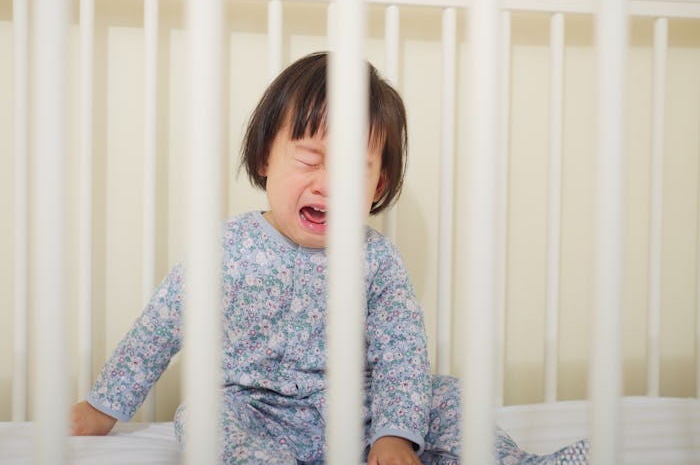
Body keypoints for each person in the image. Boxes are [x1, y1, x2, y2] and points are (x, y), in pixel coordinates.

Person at [72, 52, 589, 465]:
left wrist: (394, 435)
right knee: (203, 417)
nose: (328, 183)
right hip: (259, 412)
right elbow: (159, 327)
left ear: (378, 186)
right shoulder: (225, 249)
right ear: (263, 159)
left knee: (447, 397)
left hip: (360, 415)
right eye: (309, 159)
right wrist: (102, 408)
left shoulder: (377, 260)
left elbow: (401, 353)